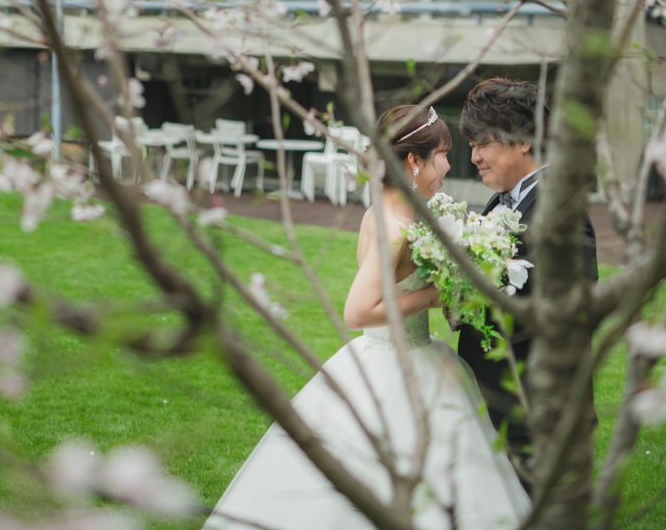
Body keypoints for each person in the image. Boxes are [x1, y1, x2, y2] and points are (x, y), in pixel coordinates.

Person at [206, 105, 530, 530]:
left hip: (408, 356)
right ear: (414, 161)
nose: (450, 165)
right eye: (443, 155)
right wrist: (437, 295)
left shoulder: (392, 208)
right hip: (397, 364)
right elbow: (358, 311)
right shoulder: (396, 223)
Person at [457, 77, 599, 479]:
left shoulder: (561, 211)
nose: (475, 157)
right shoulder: (499, 203)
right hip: (497, 408)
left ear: (522, 139)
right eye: (471, 147)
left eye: (482, 144)